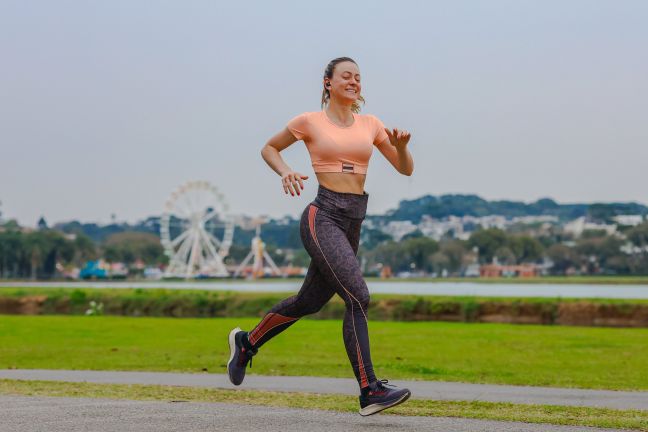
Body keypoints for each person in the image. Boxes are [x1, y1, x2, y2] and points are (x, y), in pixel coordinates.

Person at [227, 56, 414, 416]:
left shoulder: (371, 125)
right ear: (328, 82)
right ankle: (370, 390)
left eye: (358, 77)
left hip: (352, 220)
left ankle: (246, 343)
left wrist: (402, 147)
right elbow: (270, 148)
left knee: (308, 302)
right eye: (346, 76)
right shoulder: (309, 122)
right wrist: (284, 171)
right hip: (322, 216)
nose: (354, 81)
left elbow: (405, 169)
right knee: (358, 296)